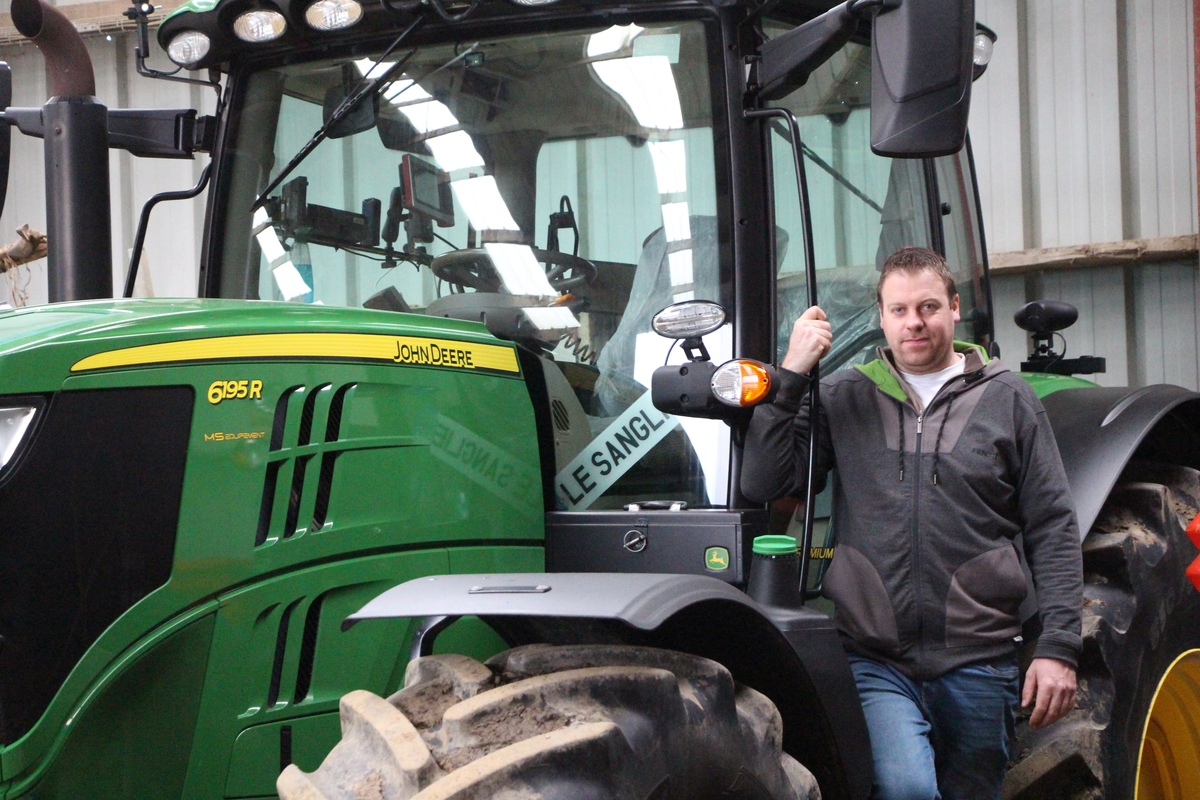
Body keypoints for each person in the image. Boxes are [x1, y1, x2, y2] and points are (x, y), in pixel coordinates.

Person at [741, 246, 1083, 800]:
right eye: (898, 310)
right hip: (877, 659)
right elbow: (764, 484)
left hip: (980, 658)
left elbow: (1053, 526)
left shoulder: (1008, 398)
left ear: (953, 308)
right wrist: (790, 374)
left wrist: (1059, 646)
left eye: (927, 306)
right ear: (881, 316)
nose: (914, 322)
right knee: (906, 790)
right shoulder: (844, 395)